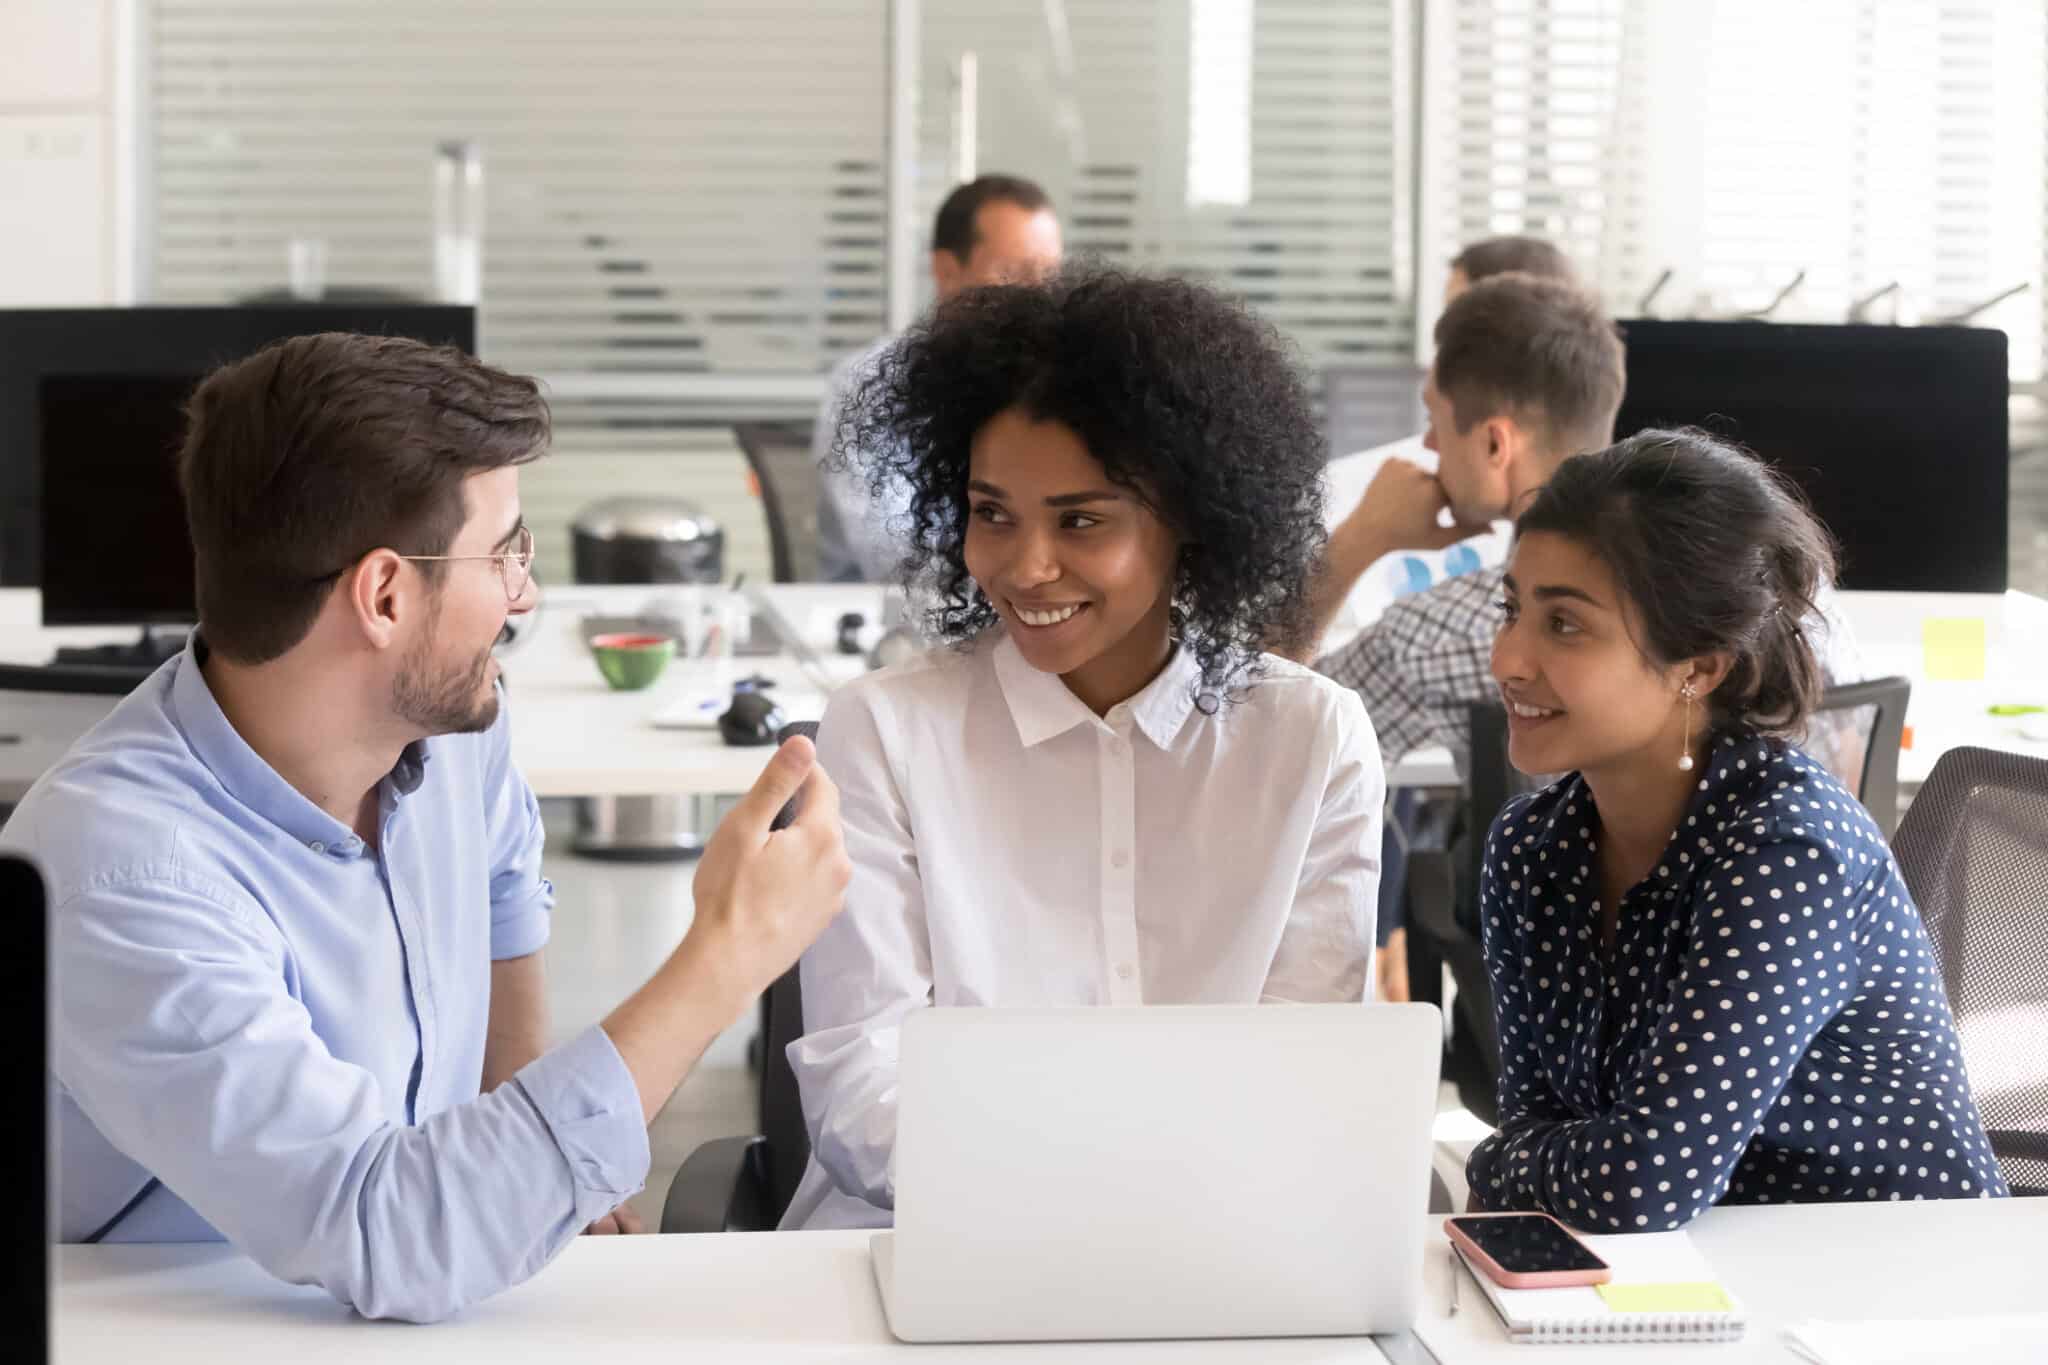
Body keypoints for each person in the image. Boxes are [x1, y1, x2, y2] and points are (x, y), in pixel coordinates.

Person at [4, 333, 851, 1322]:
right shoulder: (119, 876)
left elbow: (502, 906)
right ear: (385, 594)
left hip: (414, 1307)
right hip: (192, 1325)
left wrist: (535, 1180)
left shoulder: (447, 731)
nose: (524, 595)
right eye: (504, 555)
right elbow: (390, 1233)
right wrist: (725, 956)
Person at [783, 267, 1385, 1229]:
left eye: (1081, 520)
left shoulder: (1311, 739)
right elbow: (864, 1083)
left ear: (1186, 514)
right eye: (993, 514)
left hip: (1208, 1238)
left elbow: (1300, 1072)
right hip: (931, 1233)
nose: (1025, 567)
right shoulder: (887, 730)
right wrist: (1081, 1204)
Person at [1467, 429, 2009, 1230]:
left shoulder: (1786, 849)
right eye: (1513, 609)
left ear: (1699, 667)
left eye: (1565, 625)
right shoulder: (1531, 849)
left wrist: (1494, 1162)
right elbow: (1544, 1135)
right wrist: (1524, 1160)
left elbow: (1640, 1184)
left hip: (1896, 1282)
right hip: (1700, 1270)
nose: (1508, 658)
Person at [1314, 235, 1581, 641]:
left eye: (1463, 320)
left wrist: (1355, 545)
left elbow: (1271, 680)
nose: (1445, 341)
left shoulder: (1441, 636)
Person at [814, 173, 1064, 582]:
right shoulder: (871, 384)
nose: (1039, 293)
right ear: (947, 270)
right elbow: (895, 554)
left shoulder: (1054, 381)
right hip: (891, 627)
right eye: (1016, 272)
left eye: (1049, 274)